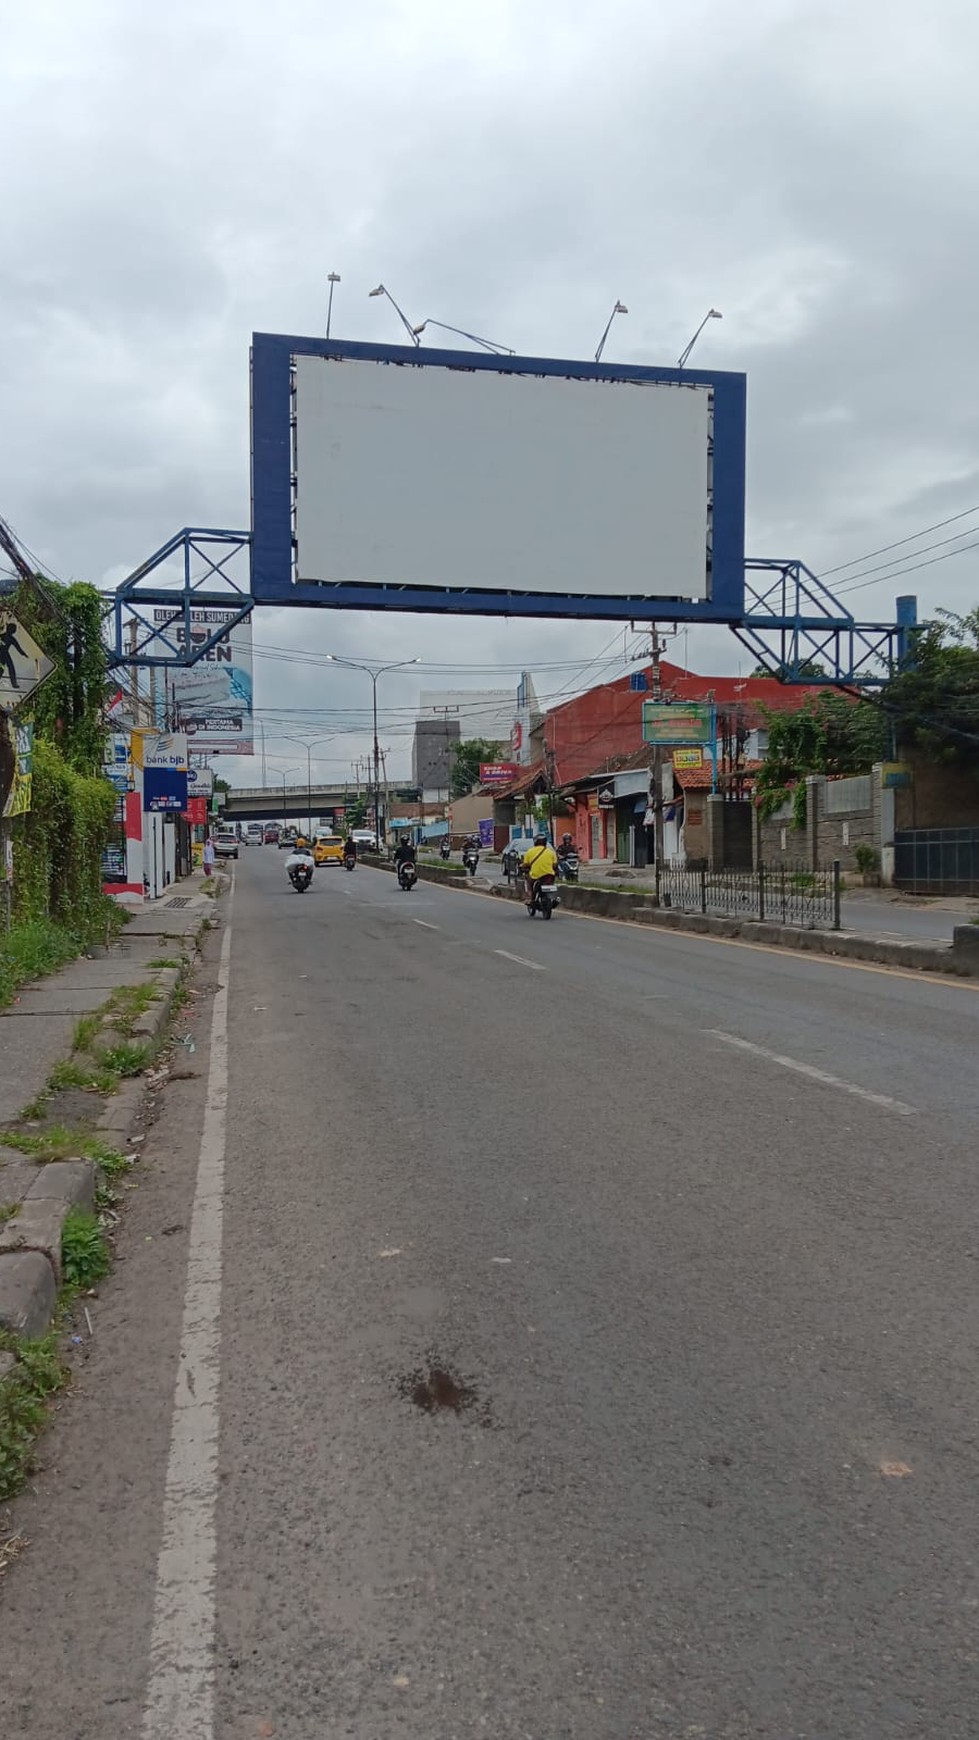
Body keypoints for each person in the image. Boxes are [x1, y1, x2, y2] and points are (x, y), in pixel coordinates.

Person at [521, 831, 558, 906]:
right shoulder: (551, 852)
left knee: (528, 884)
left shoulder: (529, 852)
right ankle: (553, 898)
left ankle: (530, 898)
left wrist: (522, 867)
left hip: (535, 876)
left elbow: (525, 864)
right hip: (549, 875)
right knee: (551, 883)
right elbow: (555, 865)